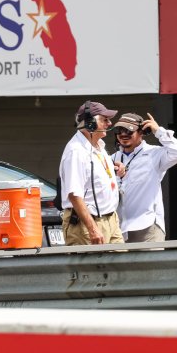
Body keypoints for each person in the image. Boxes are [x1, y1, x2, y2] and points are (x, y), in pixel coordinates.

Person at [111, 112, 177, 243]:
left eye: (129, 130)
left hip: (148, 226)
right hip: (119, 229)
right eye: (119, 130)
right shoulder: (112, 158)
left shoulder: (154, 153)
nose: (123, 134)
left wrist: (158, 131)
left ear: (142, 132)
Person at [59, 101, 125, 245]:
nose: (109, 123)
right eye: (104, 119)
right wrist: (92, 228)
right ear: (90, 123)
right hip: (87, 224)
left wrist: (113, 166)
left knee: (121, 260)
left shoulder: (98, 146)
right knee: (92, 262)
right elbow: (74, 195)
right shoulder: (76, 151)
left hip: (111, 220)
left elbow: (93, 172)